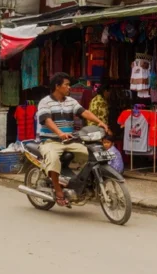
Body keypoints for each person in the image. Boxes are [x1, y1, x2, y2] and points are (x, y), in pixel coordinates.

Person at [37, 72, 109, 207]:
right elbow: (47, 120)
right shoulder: (45, 102)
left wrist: (99, 122)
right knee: (53, 158)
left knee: (90, 154)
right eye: (67, 85)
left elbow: (84, 112)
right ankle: (58, 190)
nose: (69, 88)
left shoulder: (71, 101)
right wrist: (59, 133)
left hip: (70, 141)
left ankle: (77, 183)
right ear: (57, 86)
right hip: (50, 141)